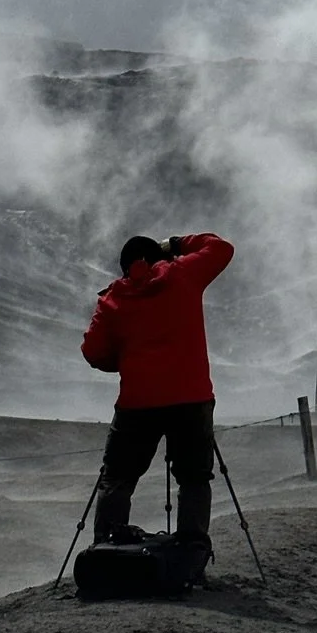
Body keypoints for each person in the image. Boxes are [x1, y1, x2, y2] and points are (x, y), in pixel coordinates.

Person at [80, 231, 235, 548]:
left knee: (118, 478)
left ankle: (106, 552)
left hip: (137, 403)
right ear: (161, 259)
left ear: (125, 268)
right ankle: (191, 557)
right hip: (192, 400)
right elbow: (221, 248)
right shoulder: (184, 274)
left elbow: (93, 352)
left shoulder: (114, 298)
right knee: (193, 478)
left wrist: (127, 362)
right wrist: (176, 244)